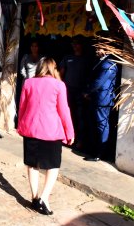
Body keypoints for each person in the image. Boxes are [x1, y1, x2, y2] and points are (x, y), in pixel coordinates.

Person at [17, 57, 74, 216]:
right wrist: (70, 132)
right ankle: (44, 197)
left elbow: (22, 106)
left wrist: (20, 125)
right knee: (53, 166)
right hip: (51, 131)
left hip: (31, 129)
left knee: (32, 164)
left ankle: (35, 197)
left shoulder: (29, 83)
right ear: (53, 68)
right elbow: (64, 110)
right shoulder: (59, 85)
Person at [83, 45, 118, 162]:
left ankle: (99, 153)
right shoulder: (102, 62)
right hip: (98, 98)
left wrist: (87, 92)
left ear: (108, 49)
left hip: (102, 100)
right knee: (97, 124)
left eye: (100, 49)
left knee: (102, 125)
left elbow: (99, 82)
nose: (97, 51)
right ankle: (95, 149)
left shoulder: (108, 64)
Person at [59, 36, 90, 151]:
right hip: (67, 91)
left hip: (81, 93)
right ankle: (66, 137)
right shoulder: (67, 58)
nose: (75, 46)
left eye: (77, 44)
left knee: (80, 117)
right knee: (67, 115)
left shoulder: (86, 59)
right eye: (73, 43)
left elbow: (89, 76)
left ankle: (80, 141)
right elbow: (60, 74)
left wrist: (87, 91)